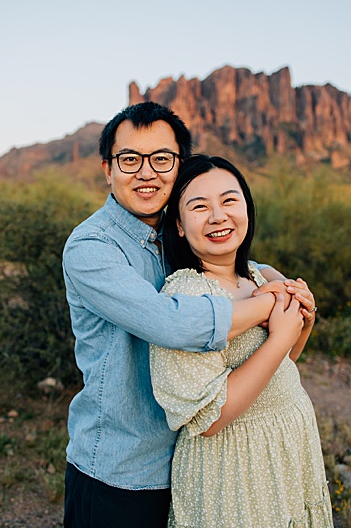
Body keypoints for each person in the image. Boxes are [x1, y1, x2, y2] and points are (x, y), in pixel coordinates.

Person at [60, 102, 315, 527]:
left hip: (197, 465)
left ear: (178, 167)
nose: (147, 172)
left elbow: (229, 274)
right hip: (123, 469)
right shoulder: (92, 247)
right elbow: (171, 323)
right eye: (130, 160)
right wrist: (271, 305)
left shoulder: (179, 239)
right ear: (108, 169)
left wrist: (284, 296)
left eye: (162, 159)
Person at [150, 155, 331, 527]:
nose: (218, 216)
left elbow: (282, 363)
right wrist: (280, 337)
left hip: (286, 442)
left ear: (247, 207)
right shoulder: (187, 294)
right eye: (199, 206)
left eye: (230, 200)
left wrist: (304, 324)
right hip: (234, 463)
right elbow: (207, 418)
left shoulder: (257, 276)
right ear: (180, 226)